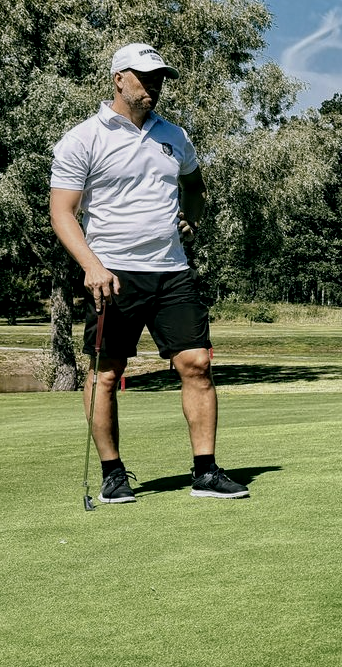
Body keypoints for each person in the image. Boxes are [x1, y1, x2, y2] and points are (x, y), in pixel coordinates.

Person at [48, 43, 248, 502]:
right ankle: (113, 473)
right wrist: (91, 265)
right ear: (119, 78)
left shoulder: (174, 135)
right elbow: (62, 212)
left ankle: (206, 471)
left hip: (172, 270)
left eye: (159, 77)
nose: (154, 84)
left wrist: (191, 218)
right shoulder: (84, 138)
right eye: (144, 76)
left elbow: (194, 187)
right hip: (114, 272)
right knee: (105, 374)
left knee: (196, 364)